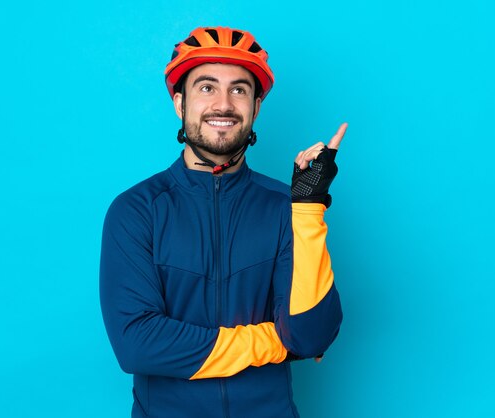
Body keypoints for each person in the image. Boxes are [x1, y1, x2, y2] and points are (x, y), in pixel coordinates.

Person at [100, 26, 345, 418]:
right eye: (207, 87)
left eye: (239, 90)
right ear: (180, 103)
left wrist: (308, 209)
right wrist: (272, 340)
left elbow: (311, 335)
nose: (224, 104)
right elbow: (137, 343)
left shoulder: (287, 207)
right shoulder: (136, 210)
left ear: (255, 107)